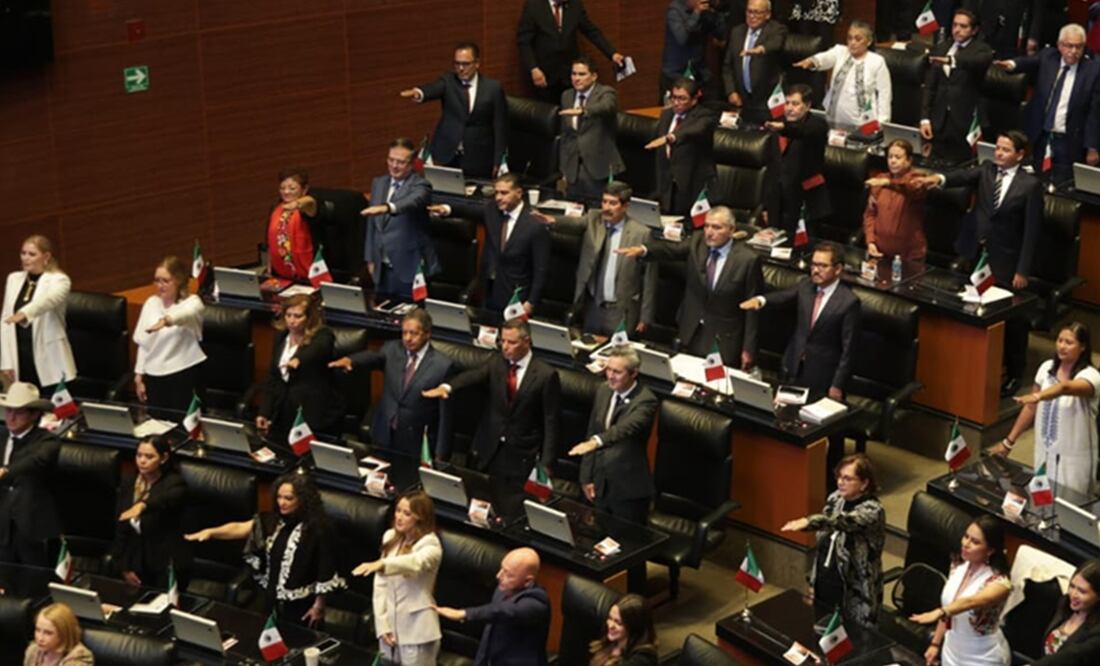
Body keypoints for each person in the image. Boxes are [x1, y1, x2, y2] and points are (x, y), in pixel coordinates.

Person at [916, 130, 1042, 396]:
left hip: (1007, 259)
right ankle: (980, 366)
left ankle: (1015, 372)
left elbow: (1032, 232)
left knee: (1011, 319)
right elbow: (960, 177)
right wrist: (937, 179)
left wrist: (1023, 269)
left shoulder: (1029, 185)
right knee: (975, 307)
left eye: (1005, 150)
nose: (998, 153)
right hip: (977, 254)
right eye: (997, 148)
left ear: (1020, 155)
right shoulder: (986, 170)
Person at [185, 473, 345, 627]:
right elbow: (240, 528)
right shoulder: (272, 521)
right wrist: (211, 532)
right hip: (270, 598)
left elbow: (326, 568)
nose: (282, 502)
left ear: (303, 500)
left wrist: (319, 605)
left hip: (303, 606)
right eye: (279, 497)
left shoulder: (319, 528)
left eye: (288, 498)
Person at [618, 206, 762, 368]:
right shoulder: (697, 241)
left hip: (724, 338)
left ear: (731, 230)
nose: (709, 232)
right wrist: (644, 250)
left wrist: (748, 348)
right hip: (690, 330)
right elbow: (671, 250)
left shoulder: (748, 260)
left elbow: (753, 307)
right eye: (707, 226)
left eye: (716, 227)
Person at [423, 318, 560, 485]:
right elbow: (473, 375)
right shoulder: (497, 362)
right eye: (503, 341)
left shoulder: (546, 375)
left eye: (512, 342)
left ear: (527, 342)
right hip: (487, 447)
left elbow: (551, 421)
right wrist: (447, 387)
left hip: (520, 453)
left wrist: (547, 463)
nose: (505, 346)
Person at [740, 241, 860, 402]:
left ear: (838, 269)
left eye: (823, 266)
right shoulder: (806, 286)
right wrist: (760, 300)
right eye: (814, 265)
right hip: (792, 365)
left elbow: (849, 350)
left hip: (822, 374)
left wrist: (837, 385)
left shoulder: (849, 302)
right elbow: (783, 296)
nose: (816, 270)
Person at [990, 322, 1100, 497]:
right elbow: (1031, 408)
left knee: (1070, 509)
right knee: (1042, 501)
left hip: (1075, 458)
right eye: (1060, 340)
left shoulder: (1090, 376)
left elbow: (1065, 388)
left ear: (1083, 347)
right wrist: (1008, 441)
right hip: (1045, 450)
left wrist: (1038, 396)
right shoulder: (1046, 368)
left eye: (1069, 342)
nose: (1062, 346)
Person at [329, 309, 453, 459]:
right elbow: (373, 357)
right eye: (404, 333)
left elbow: (445, 416)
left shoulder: (442, 365)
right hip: (384, 432)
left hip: (416, 441)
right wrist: (352, 360)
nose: (407, 338)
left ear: (427, 334)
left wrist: (441, 453)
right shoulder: (392, 349)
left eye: (414, 333)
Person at [780, 453, 886, 628]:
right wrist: (814, 582)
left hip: (856, 592)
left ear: (864, 483)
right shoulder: (835, 498)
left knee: (851, 643)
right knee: (821, 635)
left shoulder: (873, 511)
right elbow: (823, 546)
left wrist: (809, 521)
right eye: (839, 477)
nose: (840, 482)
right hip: (827, 581)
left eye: (847, 478)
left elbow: (841, 522)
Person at [993, 23, 1100, 184]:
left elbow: (1095, 112)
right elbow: (1028, 62)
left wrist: (1092, 147)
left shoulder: (1093, 70)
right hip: (1039, 135)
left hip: (1068, 141)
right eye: (1069, 46)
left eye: (1079, 47)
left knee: (1061, 185)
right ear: (1059, 45)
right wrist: (1011, 64)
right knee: (1032, 181)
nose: (1074, 51)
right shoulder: (1048, 57)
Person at [429, 174, 551, 315]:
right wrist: (446, 208)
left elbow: (541, 270)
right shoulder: (492, 210)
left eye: (504, 193)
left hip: (517, 296)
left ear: (518, 193)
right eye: (496, 192)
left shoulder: (535, 224)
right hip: (489, 288)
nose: (498, 197)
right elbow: (469, 209)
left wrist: (531, 302)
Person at [569, 347, 659, 525]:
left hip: (627, 489)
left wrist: (597, 441)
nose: (610, 376)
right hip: (600, 483)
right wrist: (586, 477)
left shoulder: (646, 400)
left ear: (634, 373)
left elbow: (625, 428)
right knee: (599, 536)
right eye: (608, 369)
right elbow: (591, 432)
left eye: (617, 372)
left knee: (626, 542)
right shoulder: (604, 390)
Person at [354, 490, 442, 666]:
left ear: (420, 517)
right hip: (389, 627)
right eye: (398, 510)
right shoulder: (390, 536)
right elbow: (380, 586)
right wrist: (382, 624)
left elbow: (415, 562)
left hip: (417, 630)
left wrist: (383, 564)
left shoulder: (431, 546)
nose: (399, 517)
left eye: (407, 513)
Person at [910, 516, 1012, 666]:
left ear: (990, 550)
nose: (966, 544)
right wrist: (935, 644)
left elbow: (971, 601)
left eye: (975, 542)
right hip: (952, 650)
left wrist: (940, 612)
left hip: (982, 656)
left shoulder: (1000, 582)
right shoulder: (958, 565)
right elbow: (950, 607)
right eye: (966, 537)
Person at [400, 43, 507, 179]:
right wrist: (419, 93)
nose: (460, 69)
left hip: (479, 157)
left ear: (477, 63)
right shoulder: (448, 81)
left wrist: (498, 159)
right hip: (448, 154)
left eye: (465, 64)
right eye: (457, 64)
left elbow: (500, 126)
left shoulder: (493, 88)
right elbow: (434, 88)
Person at [433, 547, 551, 666]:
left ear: (528, 581)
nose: (499, 576)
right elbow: (488, 637)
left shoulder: (537, 602)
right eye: (501, 569)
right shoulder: (503, 589)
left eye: (508, 574)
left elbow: (503, 612)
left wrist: (464, 614)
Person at [256, 294, 344, 445]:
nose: (291, 320)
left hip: (313, 413)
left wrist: (299, 359)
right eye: (288, 315)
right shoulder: (281, 336)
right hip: (284, 410)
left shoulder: (323, 335)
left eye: (298, 316)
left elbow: (318, 349)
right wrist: (265, 411)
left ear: (309, 318)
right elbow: (273, 376)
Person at [360, 137, 441, 301]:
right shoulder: (379, 183)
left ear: (411, 165)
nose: (394, 166)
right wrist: (370, 257)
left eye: (400, 162)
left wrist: (387, 207)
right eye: (391, 160)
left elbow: (409, 203)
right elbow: (372, 224)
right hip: (381, 267)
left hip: (409, 267)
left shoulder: (421, 186)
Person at [573, 181, 658, 337]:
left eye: (612, 203)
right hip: (593, 307)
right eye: (604, 202)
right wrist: (552, 221)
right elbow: (571, 223)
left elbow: (649, 278)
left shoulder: (642, 233)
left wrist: (645, 317)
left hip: (621, 311)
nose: (606, 207)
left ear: (625, 206)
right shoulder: (595, 221)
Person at [111, 437, 190, 591]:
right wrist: (124, 567)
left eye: (149, 457)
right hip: (135, 558)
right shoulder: (130, 482)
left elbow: (164, 500)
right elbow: (121, 527)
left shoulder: (174, 483)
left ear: (164, 458)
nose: (142, 461)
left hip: (166, 562)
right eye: (139, 455)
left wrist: (142, 505)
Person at [1, 234, 76, 392]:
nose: (26, 258)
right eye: (23, 253)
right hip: (20, 357)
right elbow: (5, 321)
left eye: (32, 254)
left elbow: (47, 301)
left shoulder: (60, 280)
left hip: (50, 359)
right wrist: (6, 362)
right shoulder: (14, 279)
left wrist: (24, 313)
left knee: (52, 413)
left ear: (46, 256)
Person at [132, 256, 206, 414]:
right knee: (157, 424)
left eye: (165, 281)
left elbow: (186, 314)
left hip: (183, 374)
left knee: (183, 426)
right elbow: (143, 344)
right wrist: (139, 376)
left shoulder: (192, 302)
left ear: (178, 280)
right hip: (154, 376)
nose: (160, 286)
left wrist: (167, 320)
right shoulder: (151, 303)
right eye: (157, 280)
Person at [920, 9, 995, 164]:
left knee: (962, 168)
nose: (957, 30)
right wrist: (925, 118)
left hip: (965, 121)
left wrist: (952, 61)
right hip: (939, 120)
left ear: (974, 30)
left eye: (963, 26)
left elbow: (975, 63)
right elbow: (930, 87)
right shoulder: (941, 47)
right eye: (954, 25)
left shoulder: (982, 50)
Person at [517, 0, 627, 104]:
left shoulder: (575, 4)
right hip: (544, 74)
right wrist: (533, 68)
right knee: (547, 116)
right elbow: (524, 42)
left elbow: (591, 31)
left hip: (570, 74)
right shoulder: (534, 5)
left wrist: (612, 53)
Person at [792, 21, 892, 132]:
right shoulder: (840, 51)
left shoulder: (877, 61)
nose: (852, 42)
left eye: (858, 39)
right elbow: (825, 58)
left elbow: (884, 94)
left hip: (864, 123)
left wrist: (882, 122)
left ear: (868, 41)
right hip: (834, 119)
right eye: (849, 38)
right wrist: (812, 61)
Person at [0, 383, 60, 566]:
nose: (11, 417)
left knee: (33, 585)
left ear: (34, 414)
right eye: (9, 410)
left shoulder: (47, 440)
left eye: (18, 412)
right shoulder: (1, 436)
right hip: (2, 527)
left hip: (32, 528)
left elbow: (36, 461)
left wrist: (5, 471)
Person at [763, 84, 831, 238]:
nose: (789, 108)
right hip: (778, 202)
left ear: (807, 106)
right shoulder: (777, 126)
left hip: (805, 201)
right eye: (787, 103)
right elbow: (771, 168)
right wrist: (766, 206)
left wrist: (783, 127)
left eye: (795, 104)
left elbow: (800, 131)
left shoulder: (817, 125)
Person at [559, 56, 625, 203]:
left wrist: (584, 111)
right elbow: (566, 135)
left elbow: (607, 107)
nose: (576, 78)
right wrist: (564, 168)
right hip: (573, 169)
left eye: (582, 74)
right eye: (574, 74)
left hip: (598, 168)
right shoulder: (567, 96)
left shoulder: (606, 93)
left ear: (594, 76)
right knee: (573, 213)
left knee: (597, 216)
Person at [647, 77, 717, 217]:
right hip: (667, 185)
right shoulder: (666, 114)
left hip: (692, 184)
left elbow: (693, 131)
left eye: (682, 98)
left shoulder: (704, 116)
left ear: (694, 100)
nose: (676, 102)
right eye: (673, 97)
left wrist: (671, 137)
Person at [862, 139, 932, 261]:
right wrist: (870, 241)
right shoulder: (879, 180)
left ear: (909, 160)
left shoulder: (918, 179)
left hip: (909, 255)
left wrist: (888, 182)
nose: (893, 161)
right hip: (880, 251)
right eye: (890, 157)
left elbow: (911, 187)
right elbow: (870, 214)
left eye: (898, 157)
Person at [722, 0, 788, 124]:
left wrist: (761, 49)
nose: (752, 16)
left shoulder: (777, 29)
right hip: (742, 100)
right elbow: (727, 66)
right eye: (749, 11)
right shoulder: (737, 32)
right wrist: (731, 91)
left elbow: (776, 43)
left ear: (767, 14)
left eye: (757, 12)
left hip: (767, 101)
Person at [1033, 559, 1100, 665]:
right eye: (1072, 586)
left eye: (1082, 591)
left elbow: (1072, 656)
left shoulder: (1097, 631)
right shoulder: (1065, 603)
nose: (1073, 594)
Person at [661, 0, 729, 102]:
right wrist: (696, 13)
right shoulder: (675, 10)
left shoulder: (705, 10)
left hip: (699, 71)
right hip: (676, 73)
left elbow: (721, 34)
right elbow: (683, 38)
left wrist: (716, 13)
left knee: (711, 102)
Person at [265, 167, 320, 282]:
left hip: (305, 272)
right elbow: (270, 243)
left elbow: (310, 201)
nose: (286, 192)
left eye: (292, 188)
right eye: (282, 188)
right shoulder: (276, 209)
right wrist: (269, 268)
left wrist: (296, 204)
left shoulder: (307, 208)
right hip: (280, 272)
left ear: (304, 189)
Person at [588, 593, 659, 666]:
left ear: (633, 626)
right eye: (610, 618)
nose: (610, 625)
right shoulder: (611, 641)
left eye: (618, 623)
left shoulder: (643, 659)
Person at [23, 603, 94, 666]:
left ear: (63, 634)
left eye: (48, 633)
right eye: (38, 630)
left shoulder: (80, 658)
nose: (40, 638)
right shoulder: (33, 650)